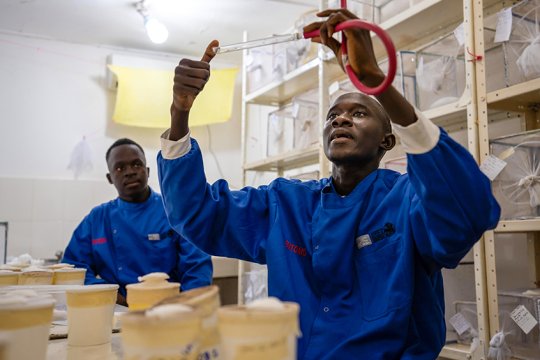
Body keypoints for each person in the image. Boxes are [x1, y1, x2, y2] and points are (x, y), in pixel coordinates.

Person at [157, 8, 500, 360]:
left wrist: (375, 80)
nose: (341, 120)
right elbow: (195, 215)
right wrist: (180, 112)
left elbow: (469, 212)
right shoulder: (285, 203)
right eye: (332, 116)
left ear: (387, 141)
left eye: (359, 113)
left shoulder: (407, 199)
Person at [63, 138, 213, 306]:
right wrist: (109, 294)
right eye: (120, 168)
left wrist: (185, 305)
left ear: (147, 171)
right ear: (110, 177)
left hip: (169, 310)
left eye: (136, 164)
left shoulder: (175, 212)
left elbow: (197, 268)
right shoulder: (97, 219)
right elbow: (72, 270)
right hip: (117, 311)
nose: (129, 172)